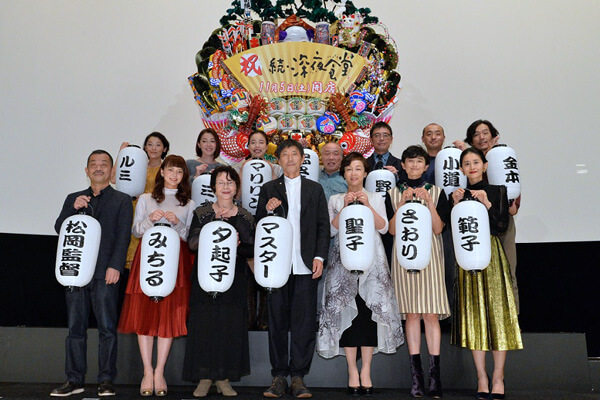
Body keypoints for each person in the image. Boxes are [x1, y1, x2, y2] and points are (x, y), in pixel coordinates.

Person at [317, 152, 403, 396]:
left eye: (358, 169)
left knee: (367, 316)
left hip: (372, 265)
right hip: (342, 265)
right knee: (346, 314)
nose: (353, 173)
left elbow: (384, 227)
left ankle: (366, 370)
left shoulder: (375, 197)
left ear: (365, 173)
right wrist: (345, 208)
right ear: (343, 174)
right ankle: (352, 370)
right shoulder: (335, 199)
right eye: (349, 169)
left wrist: (367, 206)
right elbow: (331, 231)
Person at [52, 150, 133, 397]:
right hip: (76, 271)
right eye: (94, 164)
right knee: (75, 328)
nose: (99, 168)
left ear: (112, 171)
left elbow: (123, 235)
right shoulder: (73, 198)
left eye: (104, 164)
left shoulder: (122, 200)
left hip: (104, 272)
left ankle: (106, 379)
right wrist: (72, 210)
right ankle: (73, 379)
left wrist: (115, 266)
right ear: (86, 170)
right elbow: (60, 228)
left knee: (107, 327)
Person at [256, 139, 330, 399]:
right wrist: (268, 211)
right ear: (278, 160)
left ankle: (298, 376)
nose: (289, 159)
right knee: (276, 321)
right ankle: (278, 376)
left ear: (302, 159)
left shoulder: (314, 188)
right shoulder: (268, 189)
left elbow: (323, 226)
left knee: (304, 323)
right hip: (276, 265)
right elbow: (259, 225)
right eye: (285, 155)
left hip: (305, 265)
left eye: (294, 154)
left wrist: (320, 256)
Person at [117, 155, 195, 396]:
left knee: (168, 314)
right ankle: (147, 371)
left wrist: (177, 223)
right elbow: (136, 231)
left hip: (175, 262)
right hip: (148, 259)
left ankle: (160, 371)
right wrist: (150, 219)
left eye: (179, 172)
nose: (174, 175)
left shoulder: (188, 203)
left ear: (184, 176)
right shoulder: (145, 198)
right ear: (161, 172)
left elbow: (190, 237)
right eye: (170, 170)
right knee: (144, 313)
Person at [450, 147, 522, 400]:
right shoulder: (457, 194)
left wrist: (488, 204)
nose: (472, 167)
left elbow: (502, 226)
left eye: (476, 162)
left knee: (498, 315)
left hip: (492, 255)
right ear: (461, 169)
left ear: (485, 165)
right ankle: (481, 376)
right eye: (467, 163)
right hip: (467, 259)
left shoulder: (498, 191)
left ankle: (498, 376)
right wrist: (456, 204)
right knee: (474, 315)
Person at [183, 166, 255, 398]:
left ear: (237, 188)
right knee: (204, 326)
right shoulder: (203, 212)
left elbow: (252, 248)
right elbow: (192, 243)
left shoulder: (245, 215)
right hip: (205, 278)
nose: (225, 187)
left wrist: (237, 244)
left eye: (230, 182)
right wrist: (213, 226)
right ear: (213, 187)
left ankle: (224, 378)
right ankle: (204, 377)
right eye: (221, 182)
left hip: (234, 280)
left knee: (229, 327)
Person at [387, 146, 450, 398]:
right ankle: (416, 376)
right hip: (403, 260)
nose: (414, 165)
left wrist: (429, 203)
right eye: (410, 161)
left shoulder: (437, 192)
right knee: (412, 315)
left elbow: (438, 228)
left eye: (419, 161)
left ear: (426, 166)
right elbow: (391, 231)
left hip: (431, 259)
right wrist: (402, 204)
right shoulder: (393, 193)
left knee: (431, 314)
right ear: (403, 165)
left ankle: (435, 376)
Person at [455, 120, 521, 313]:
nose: (482, 137)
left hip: (500, 224)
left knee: (507, 272)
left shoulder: (503, 158)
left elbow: (512, 208)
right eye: (476, 134)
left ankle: (510, 321)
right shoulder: (469, 164)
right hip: (474, 229)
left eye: (485, 133)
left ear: (494, 136)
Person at [111, 132, 170, 272]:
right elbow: (113, 179)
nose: (153, 148)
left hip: (153, 213)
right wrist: (121, 153)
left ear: (165, 148)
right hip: (131, 209)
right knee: (128, 248)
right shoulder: (137, 164)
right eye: (150, 144)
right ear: (145, 147)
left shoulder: (167, 170)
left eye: (158, 145)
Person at [367, 121, 406, 266]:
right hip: (370, 218)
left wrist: (398, 176)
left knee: (391, 259)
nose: (381, 139)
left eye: (385, 135)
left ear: (391, 139)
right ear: (371, 139)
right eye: (377, 135)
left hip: (393, 218)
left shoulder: (401, 164)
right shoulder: (363, 164)